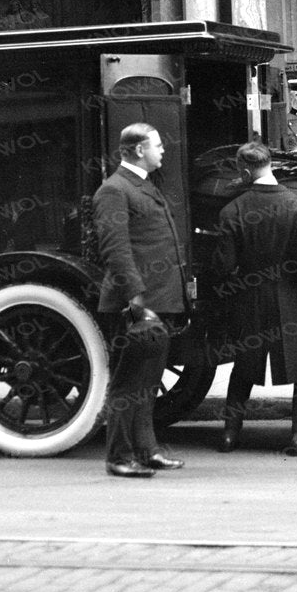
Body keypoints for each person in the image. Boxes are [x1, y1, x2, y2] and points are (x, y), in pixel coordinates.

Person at [211, 142, 297, 453]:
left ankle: (230, 433)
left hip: (250, 298)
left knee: (243, 367)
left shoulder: (232, 211)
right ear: (270, 164)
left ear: (245, 171)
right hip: (292, 299)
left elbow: (224, 266)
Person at [91, 122, 187, 478]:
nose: (162, 150)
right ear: (137, 150)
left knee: (148, 382)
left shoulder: (141, 185)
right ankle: (119, 456)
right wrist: (135, 300)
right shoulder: (114, 190)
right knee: (128, 383)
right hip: (135, 304)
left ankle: (147, 451)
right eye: (157, 145)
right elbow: (114, 250)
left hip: (156, 300)